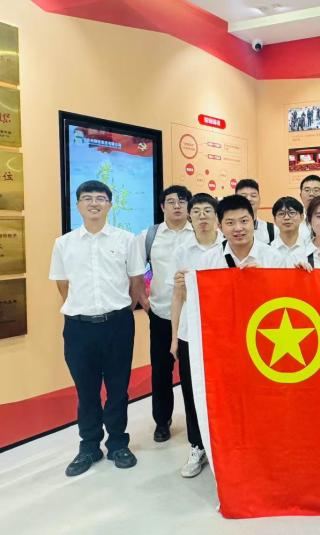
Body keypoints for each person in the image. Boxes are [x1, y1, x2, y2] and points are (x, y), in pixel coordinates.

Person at [49, 180, 146, 476]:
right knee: (86, 390)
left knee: (118, 388)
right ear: (78, 205)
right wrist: (84, 310)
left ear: (109, 205)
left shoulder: (126, 240)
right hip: (79, 329)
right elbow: (62, 285)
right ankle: (89, 446)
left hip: (117, 325)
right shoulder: (64, 243)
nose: (94, 203)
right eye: (87, 198)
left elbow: (136, 283)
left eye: (100, 198)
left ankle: (117, 443)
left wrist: (118, 311)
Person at [168, 193, 223, 478]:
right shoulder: (182, 251)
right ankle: (196, 445)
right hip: (192, 332)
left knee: (222, 393)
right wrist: (174, 337)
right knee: (191, 391)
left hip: (223, 334)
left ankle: (223, 446)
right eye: (197, 211)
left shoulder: (227, 248)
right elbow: (177, 296)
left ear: (216, 216)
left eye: (207, 211)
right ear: (190, 216)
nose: (202, 216)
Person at [137, 185, 195, 443]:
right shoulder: (149, 236)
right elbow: (135, 271)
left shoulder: (200, 233)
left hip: (193, 316)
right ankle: (162, 421)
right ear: (162, 207)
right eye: (171, 201)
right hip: (160, 315)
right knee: (161, 371)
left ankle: (196, 423)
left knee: (192, 373)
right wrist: (144, 302)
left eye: (182, 201)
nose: (177, 206)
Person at [269, 196, 309, 266]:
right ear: (275, 219)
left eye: (292, 213)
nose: (286, 217)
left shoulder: (310, 249)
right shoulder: (267, 250)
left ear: (302, 217)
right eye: (281, 214)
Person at [236, 178, 276, 245]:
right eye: (244, 196)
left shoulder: (272, 230)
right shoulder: (225, 231)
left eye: (253, 196)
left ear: (259, 200)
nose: (249, 199)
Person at [299, 174, 320, 243]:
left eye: (316, 190)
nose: (311, 194)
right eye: (307, 190)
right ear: (300, 195)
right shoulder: (294, 219)